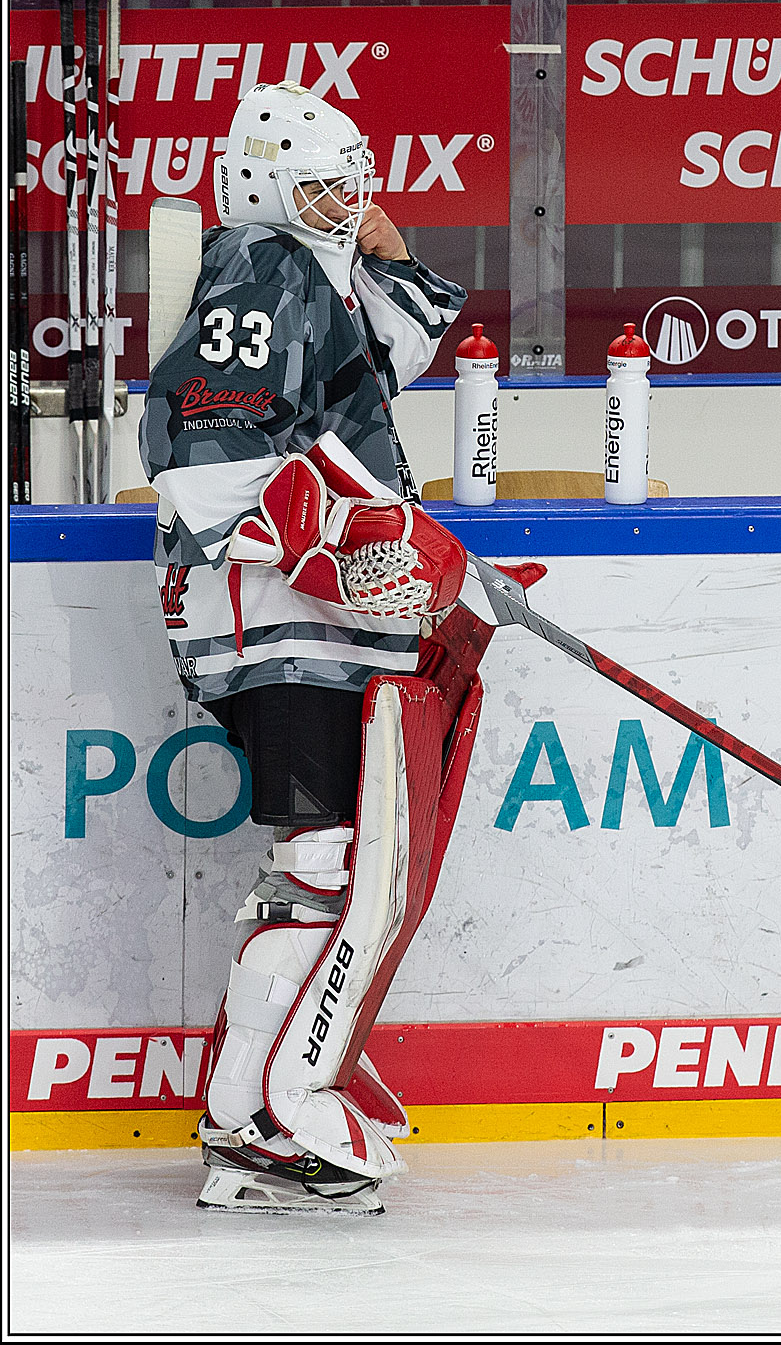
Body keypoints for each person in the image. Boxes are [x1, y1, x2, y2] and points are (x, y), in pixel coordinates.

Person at [139, 81, 471, 1214]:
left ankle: (252, 1105)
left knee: (325, 865)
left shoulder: (312, 269)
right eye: (326, 187)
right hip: (273, 621)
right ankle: (257, 1119)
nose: (350, 201)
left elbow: (382, 364)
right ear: (264, 187)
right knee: (328, 862)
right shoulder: (260, 268)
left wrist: (389, 254)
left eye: (354, 182)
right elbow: (205, 440)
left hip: (311, 622)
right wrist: (349, 534)